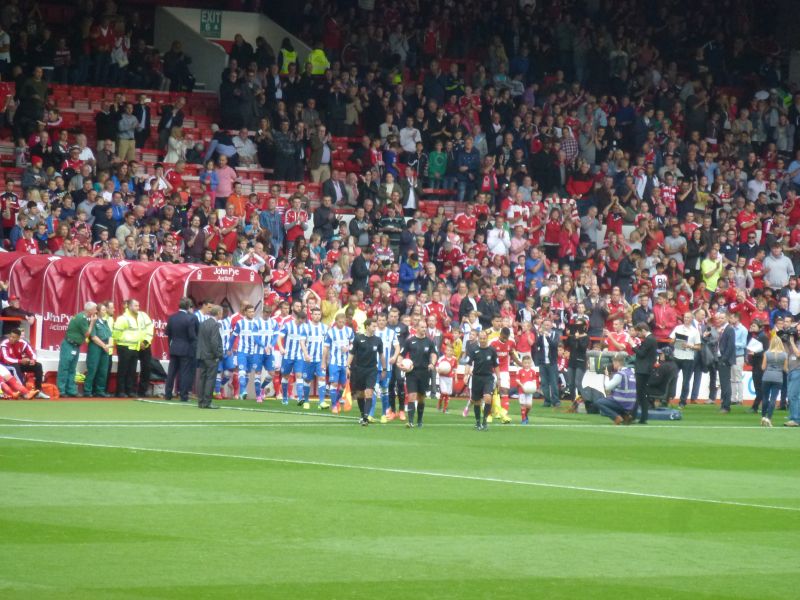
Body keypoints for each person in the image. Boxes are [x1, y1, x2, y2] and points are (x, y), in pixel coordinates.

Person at [112, 299, 154, 398]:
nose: (137, 308)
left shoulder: (143, 316)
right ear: (129, 306)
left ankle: (130, 390)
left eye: (138, 306)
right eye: (135, 306)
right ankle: (121, 391)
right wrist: (121, 341)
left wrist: (146, 341)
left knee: (132, 370)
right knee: (123, 370)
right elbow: (116, 333)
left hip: (137, 346)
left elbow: (150, 328)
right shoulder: (123, 318)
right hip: (124, 346)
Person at [399, 325, 438, 428]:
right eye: (422, 327)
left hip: (424, 373)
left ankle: (419, 420)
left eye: (425, 327)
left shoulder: (429, 342)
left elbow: (434, 354)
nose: (424, 329)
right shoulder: (410, 341)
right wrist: (400, 364)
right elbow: (401, 354)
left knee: (421, 398)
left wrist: (432, 364)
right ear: (417, 328)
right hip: (412, 372)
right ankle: (410, 421)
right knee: (412, 396)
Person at [582, 352, 637, 424]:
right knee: (611, 400)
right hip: (631, 402)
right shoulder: (631, 372)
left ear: (617, 363)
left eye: (613, 363)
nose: (613, 365)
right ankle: (625, 416)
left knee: (599, 402)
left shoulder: (620, 374)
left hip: (622, 400)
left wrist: (606, 376)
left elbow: (607, 387)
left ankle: (616, 417)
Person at [348, 318, 385, 425]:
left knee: (369, 392)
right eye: (373, 326)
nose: (375, 328)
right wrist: (347, 366)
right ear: (367, 326)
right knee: (360, 394)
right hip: (359, 369)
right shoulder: (358, 338)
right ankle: (362, 414)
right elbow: (352, 353)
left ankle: (365, 417)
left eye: (375, 326)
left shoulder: (378, 340)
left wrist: (384, 368)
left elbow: (381, 355)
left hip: (371, 370)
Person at [55, 304, 98, 397]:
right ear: (90, 310)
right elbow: (87, 334)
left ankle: (71, 390)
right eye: (95, 309)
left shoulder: (83, 317)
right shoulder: (82, 318)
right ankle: (61, 390)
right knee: (64, 367)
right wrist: (92, 323)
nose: (96, 312)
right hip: (69, 345)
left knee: (72, 368)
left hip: (75, 346)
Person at [230, 304, 266, 401]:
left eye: (253, 311)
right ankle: (243, 391)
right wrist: (229, 348)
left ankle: (242, 393)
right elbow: (233, 336)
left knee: (247, 374)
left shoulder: (257, 323)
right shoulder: (240, 323)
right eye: (249, 311)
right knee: (241, 371)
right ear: (245, 312)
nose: (251, 313)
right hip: (242, 351)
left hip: (254, 353)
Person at [464, 330, 499, 430]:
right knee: (476, 401)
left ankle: (485, 421)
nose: (483, 340)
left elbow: (496, 365)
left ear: (487, 338)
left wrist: (499, 378)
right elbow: (468, 363)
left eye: (484, 338)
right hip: (476, 378)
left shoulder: (492, 350)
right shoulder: (474, 349)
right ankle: (478, 422)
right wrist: (466, 375)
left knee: (488, 398)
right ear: (478, 339)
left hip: (488, 377)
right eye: (481, 338)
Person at [164, 297, 198, 402]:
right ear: (188, 307)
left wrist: (171, 345)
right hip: (186, 349)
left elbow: (167, 333)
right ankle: (183, 396)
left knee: (171, 372)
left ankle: (168, 394)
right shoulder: (191, 318)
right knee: (184, 373)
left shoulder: (172, 317)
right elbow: (192, 336)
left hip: (174, 347)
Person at [323, 312, 355, 414]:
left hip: (345, 363)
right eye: (339, 322)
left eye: (343, 322)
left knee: (343, 385)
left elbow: (354, 344)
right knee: (334, 383)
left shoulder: (349, 331)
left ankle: (336, 401)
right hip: (334, 362)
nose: (341, 323)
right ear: (336, 321)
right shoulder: (330, 332)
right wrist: (324, 362)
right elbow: (326, 348)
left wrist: (348, 348)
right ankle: (334, 406)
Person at [1, 328, 48, 398]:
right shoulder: (4, 344)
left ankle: (38, 390)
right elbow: (6, 359)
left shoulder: (23, 343)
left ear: (18, 338)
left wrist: (33, 360)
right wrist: (20, 361)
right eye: (10, 336)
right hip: (5, 365)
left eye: (14, 337)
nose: (11, 338)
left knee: (38, 366)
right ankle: (24, 391)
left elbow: (32, 353)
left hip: (18, 363)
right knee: (15, 366)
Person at [670, 312, 701, 408]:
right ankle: (669, 397)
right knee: (672, 378)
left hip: (688, 357)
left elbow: (698, 346)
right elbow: (671, 340)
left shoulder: (695, 331)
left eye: (688, 317)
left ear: (692, 319)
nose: (686, 319)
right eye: (685, 317)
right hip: (676, 356)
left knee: (686, 381)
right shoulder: (678, 328)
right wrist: (675, 341)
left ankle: (683, 401)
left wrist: (689, 345)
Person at [83, 301, 113, 397]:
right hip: (95, 347)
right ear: (98, 312)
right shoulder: (93, 322)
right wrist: (104, 346)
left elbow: (109, 335)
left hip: (105, 348)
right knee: (92, 369)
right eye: (103, 310)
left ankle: (100, 390)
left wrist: (109, 346)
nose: (105, 311)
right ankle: (87, 390)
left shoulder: (105, 322)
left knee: (103, 370)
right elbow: (93, 337)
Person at [374, 312, 400, 422]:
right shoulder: (373, 332)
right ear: (377, 321)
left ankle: (384, 414)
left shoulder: (391, 332)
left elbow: (397, 347)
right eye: (379, 320)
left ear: (386, 321)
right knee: (373, 390)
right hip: (373, 366)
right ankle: (370, 414)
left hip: (387, 367)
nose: (381, 322)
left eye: (383, 320)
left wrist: (394, 357)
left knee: (384, 390)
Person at [196, 305, 223, 409]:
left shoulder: (203, 323)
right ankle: (207, 401)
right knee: (210, 379)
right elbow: (214, 342)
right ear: (218, 313)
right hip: (211, 356)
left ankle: (201, 401)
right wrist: (218, 354)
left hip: (202, 354)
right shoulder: (215, 325)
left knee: (202, 378)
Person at [301, 307, 329, 409]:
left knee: (322, 377)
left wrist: (325, 359)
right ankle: (307, 401)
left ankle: (321, 402)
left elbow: (326, 345)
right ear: (311, 315)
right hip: (309, 359)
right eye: (315, 314)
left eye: (319, 314)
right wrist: (305, 354)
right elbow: (302, 342)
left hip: (320, 359)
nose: (317, 316)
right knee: (307, 380)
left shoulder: (325, 328)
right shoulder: (306, 327)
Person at [760, 335, 787, 427]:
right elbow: (785, 368)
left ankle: (763, 416)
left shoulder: (767, 353)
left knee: (765, 398)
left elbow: (763, 367)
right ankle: (769, 417)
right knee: (773, 399)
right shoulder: (784, 354)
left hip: (767, 376)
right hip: (778, 377)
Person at [633, 322, 657, 424]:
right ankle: (640, 416)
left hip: (643, 370)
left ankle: (641, 417)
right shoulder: (651, 339)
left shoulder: (649, 339)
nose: (638, 334)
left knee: (640, 394)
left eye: (639, 332)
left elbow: (641, 354)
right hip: (645, 369)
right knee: (641, 394)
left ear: (643, 330)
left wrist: (633, 345)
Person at [533, 319, 560, 407]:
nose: (546, 327)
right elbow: (537, 345)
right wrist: (540, 336)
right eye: (545, 325)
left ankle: (556, 401)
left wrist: (547, 337)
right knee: (544, 383)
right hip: (543, 362)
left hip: (552, 362)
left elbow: (554, 345)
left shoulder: (555, 334)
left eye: (548, 325)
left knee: (554, 382)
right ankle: (547, 401)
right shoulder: (541, 335)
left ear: (551, 326)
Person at [718, 313, 737, 413]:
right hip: (721, 358)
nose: (720, 319)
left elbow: (731, 346)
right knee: (723, 383)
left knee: (725, 383)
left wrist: (724, 359)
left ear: (727, 318)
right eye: (719, 318)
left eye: (722, 318)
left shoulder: (729, 329)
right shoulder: (723, 329)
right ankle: (724, 404)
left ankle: (726, 406)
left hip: (725, 360)